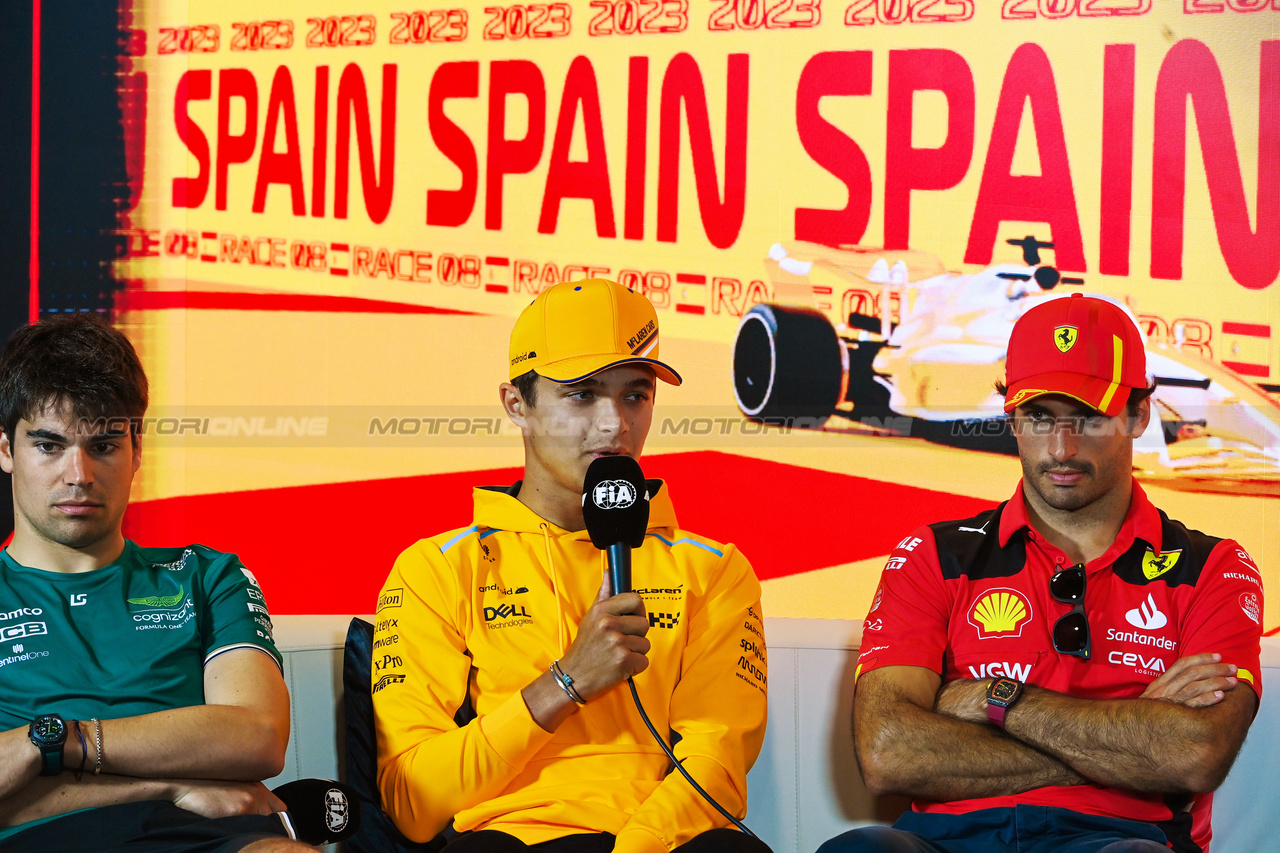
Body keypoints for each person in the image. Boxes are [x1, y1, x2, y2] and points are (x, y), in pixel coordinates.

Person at [819, 293, 1263, 853]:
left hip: (1119, 840)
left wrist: (995, 700)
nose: (1061, 447)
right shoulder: (932, 554)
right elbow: (886, 753)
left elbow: (1194, 755)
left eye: (1088, 419)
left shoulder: (1214, 569)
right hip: (945, 842)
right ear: (1010, 413)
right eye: (1039, 417)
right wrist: (1133, 743)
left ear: (1138, 414)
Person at [373, 279, 771, 853]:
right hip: (507, 842)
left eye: (635, 395)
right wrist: (568, 683)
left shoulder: (714, 570)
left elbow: (717, 770)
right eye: (582, 395)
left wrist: (635, 849)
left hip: (661, 843)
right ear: (517, 405)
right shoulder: (436, 569)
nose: (614, 424)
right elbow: (414, 805)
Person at [0, 315, 314, 852]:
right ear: (7, 450)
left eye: (103, 445)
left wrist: (47, 745)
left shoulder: (208, 574)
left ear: (137, 451)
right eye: (49, 445)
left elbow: (257, 737)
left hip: (208, 836)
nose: (78, 474)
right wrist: (167, 783)